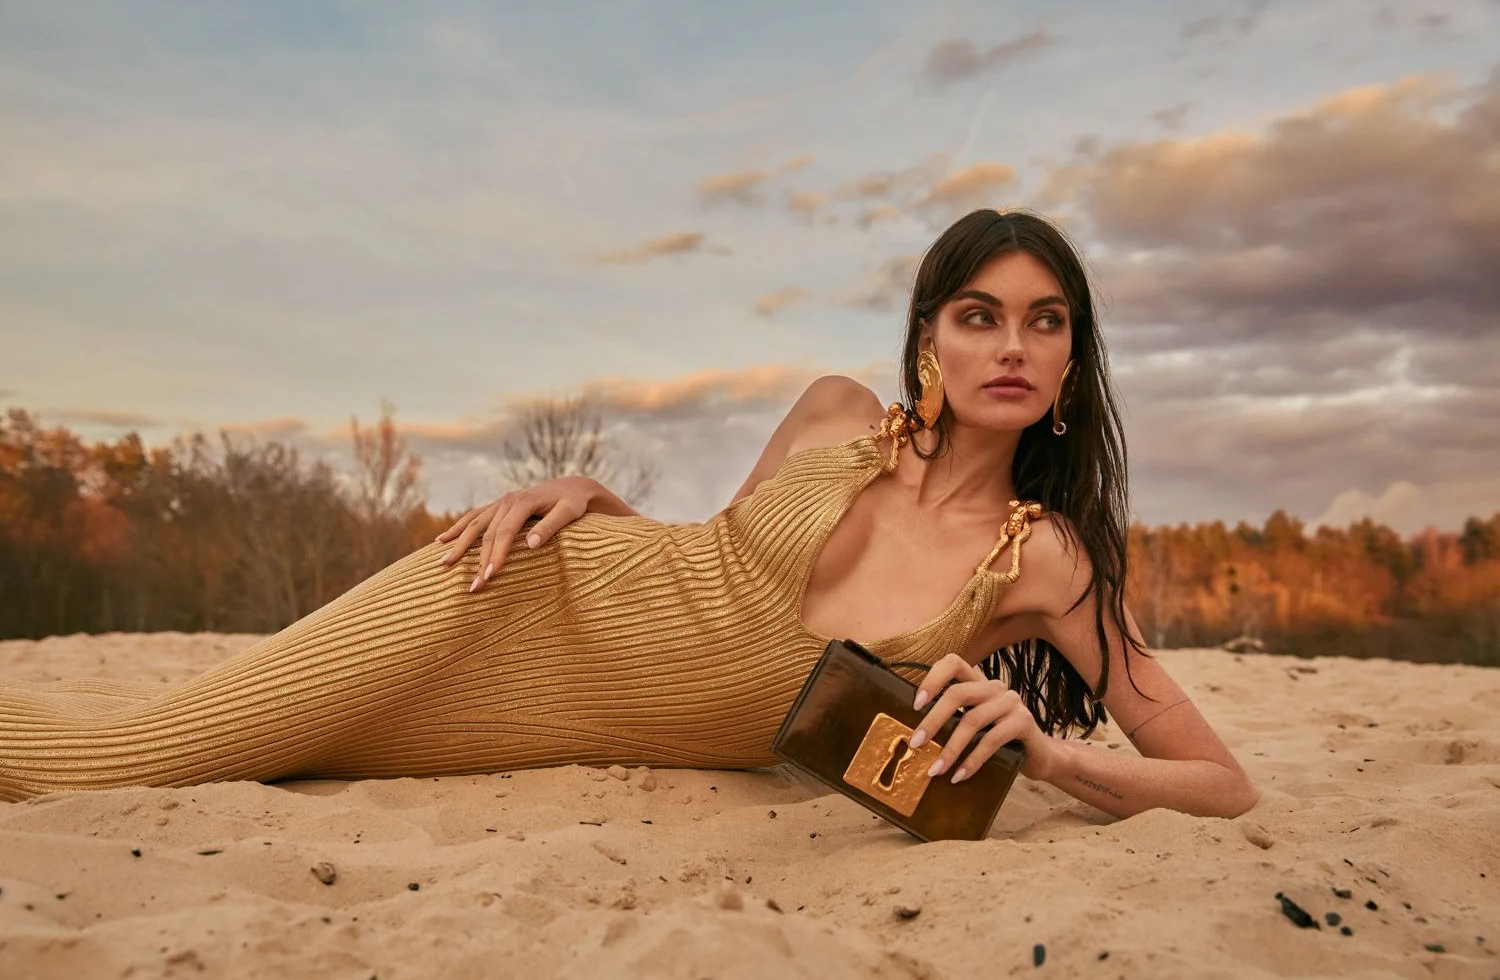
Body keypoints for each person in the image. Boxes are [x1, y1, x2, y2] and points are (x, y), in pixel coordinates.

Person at [0, 209, 1256, 822]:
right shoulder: (834, 414)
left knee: (250, 753)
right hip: (522, 585)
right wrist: (593, 500)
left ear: (1072, 361)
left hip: (552, 718)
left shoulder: (1040, 558)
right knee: (126, 755)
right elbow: (712, 554)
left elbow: (1224, 784)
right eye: (978, 313)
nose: (1011, 344)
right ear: (928, 335)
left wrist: (1048, 753)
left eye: (1046, 320)